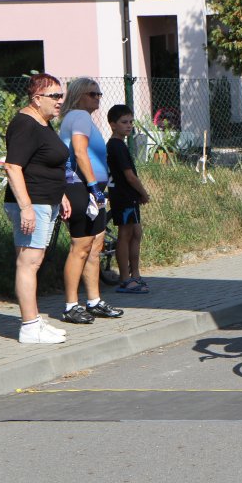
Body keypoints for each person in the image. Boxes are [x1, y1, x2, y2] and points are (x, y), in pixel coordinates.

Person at [2, 73, 72, 344]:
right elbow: (13, 166)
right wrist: (27, 207)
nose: (60, 101)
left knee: (35, 261)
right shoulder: (25, 124)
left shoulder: (42, 122)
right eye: (54, 96)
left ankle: (34, 320)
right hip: (32, 203)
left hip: (46, 201)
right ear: (37, 98)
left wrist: (61, 195)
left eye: (61, 95)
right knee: (28, 262)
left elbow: (44, 163)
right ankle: (30, 327)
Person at [58, 78, 124, 324]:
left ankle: (94, 301)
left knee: (95, 246)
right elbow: (79, 151)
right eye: (92, 94)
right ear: (78, 95)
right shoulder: (80, 117)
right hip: (81, 187)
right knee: (81, 246)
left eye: (99, 94)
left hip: (89, 188)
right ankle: (70, 305)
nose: (97, 98)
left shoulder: (81, 117)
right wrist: (93, 187)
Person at [106, 104, 151, 293]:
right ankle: (125, 278)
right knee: (125, 235)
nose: (129, 125)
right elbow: (130, 176)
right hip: (123, 196)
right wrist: (143, 193)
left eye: (131, 122)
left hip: (128, 197)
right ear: (113, 124)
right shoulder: (115, 145)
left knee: (136, 233)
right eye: (124, 122)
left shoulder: (120, 145)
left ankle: (136, 274)